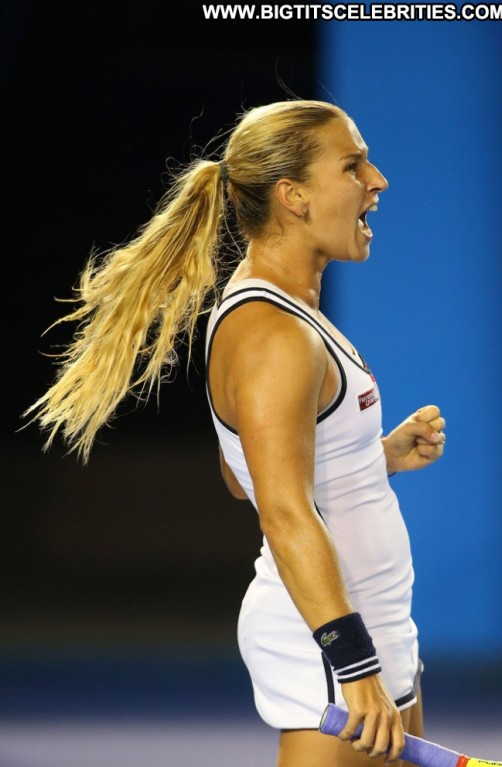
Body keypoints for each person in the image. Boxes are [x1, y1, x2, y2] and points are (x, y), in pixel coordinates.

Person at [25, 99, 446, 766]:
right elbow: (282, 509)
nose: (377, 180)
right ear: (294, 196)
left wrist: (376, 457)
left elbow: (240, 472)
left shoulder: (291, 315)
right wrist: (354, 663)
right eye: (353, 165)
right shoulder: (274, 334)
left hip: (374, 625)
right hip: (331, 647)